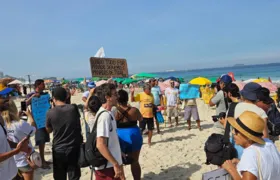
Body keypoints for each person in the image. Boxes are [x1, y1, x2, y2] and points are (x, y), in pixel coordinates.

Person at [222, 111, 280, 179]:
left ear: (248, 137)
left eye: (236, 131)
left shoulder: (249, 154)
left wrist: (231, 169)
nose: (233, 132)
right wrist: (241, 163)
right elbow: (264, 165)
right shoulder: (269, 143)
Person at [45, 87, 82, 180]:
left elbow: (49, 130)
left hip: (59, 148)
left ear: (54, 99)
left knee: (59, 176)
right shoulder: (73, 108)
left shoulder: (50, 112)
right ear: (66, 97)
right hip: (73, 147)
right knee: (74, 175)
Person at [94, 83, 124, 180]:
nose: (117, 96)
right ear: (107, 97)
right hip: (107, 167)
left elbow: (111, 139)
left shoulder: (109, 113)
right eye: (115, 94)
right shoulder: (104, 116)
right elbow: (100, 144)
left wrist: (119, 152)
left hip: (111, 164)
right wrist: (115, 164)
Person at [0, 88, 30, 180]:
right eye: (3, 96)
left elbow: (4, 141)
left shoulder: (1, 119)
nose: (9, 98)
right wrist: (16, 151)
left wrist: (18, 146)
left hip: (12, 172)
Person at [2, 104, 36, 180]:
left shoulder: (3, 126)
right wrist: (30, 116)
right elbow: (33, 129)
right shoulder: (20, 124)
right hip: (24, 160)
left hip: (11, 161)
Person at [115, 89, 143, 180]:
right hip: (133, 134)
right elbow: (140, 119)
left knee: (119, 162)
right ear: (127, 99)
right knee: (135, 161)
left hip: (120, 135)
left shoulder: (115, 111)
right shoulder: (134, 110)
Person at [26, 79, 51, 169]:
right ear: (38, 85)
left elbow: (49, 104)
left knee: (44, 140)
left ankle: (43, 160)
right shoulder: (31, 95)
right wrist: (32, 97)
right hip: (38, 122)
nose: (44, 86)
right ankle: (42, 161)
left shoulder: (45, 94)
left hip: (45, 120)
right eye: (43, 84)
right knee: (41, 141)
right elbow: (24, 104)